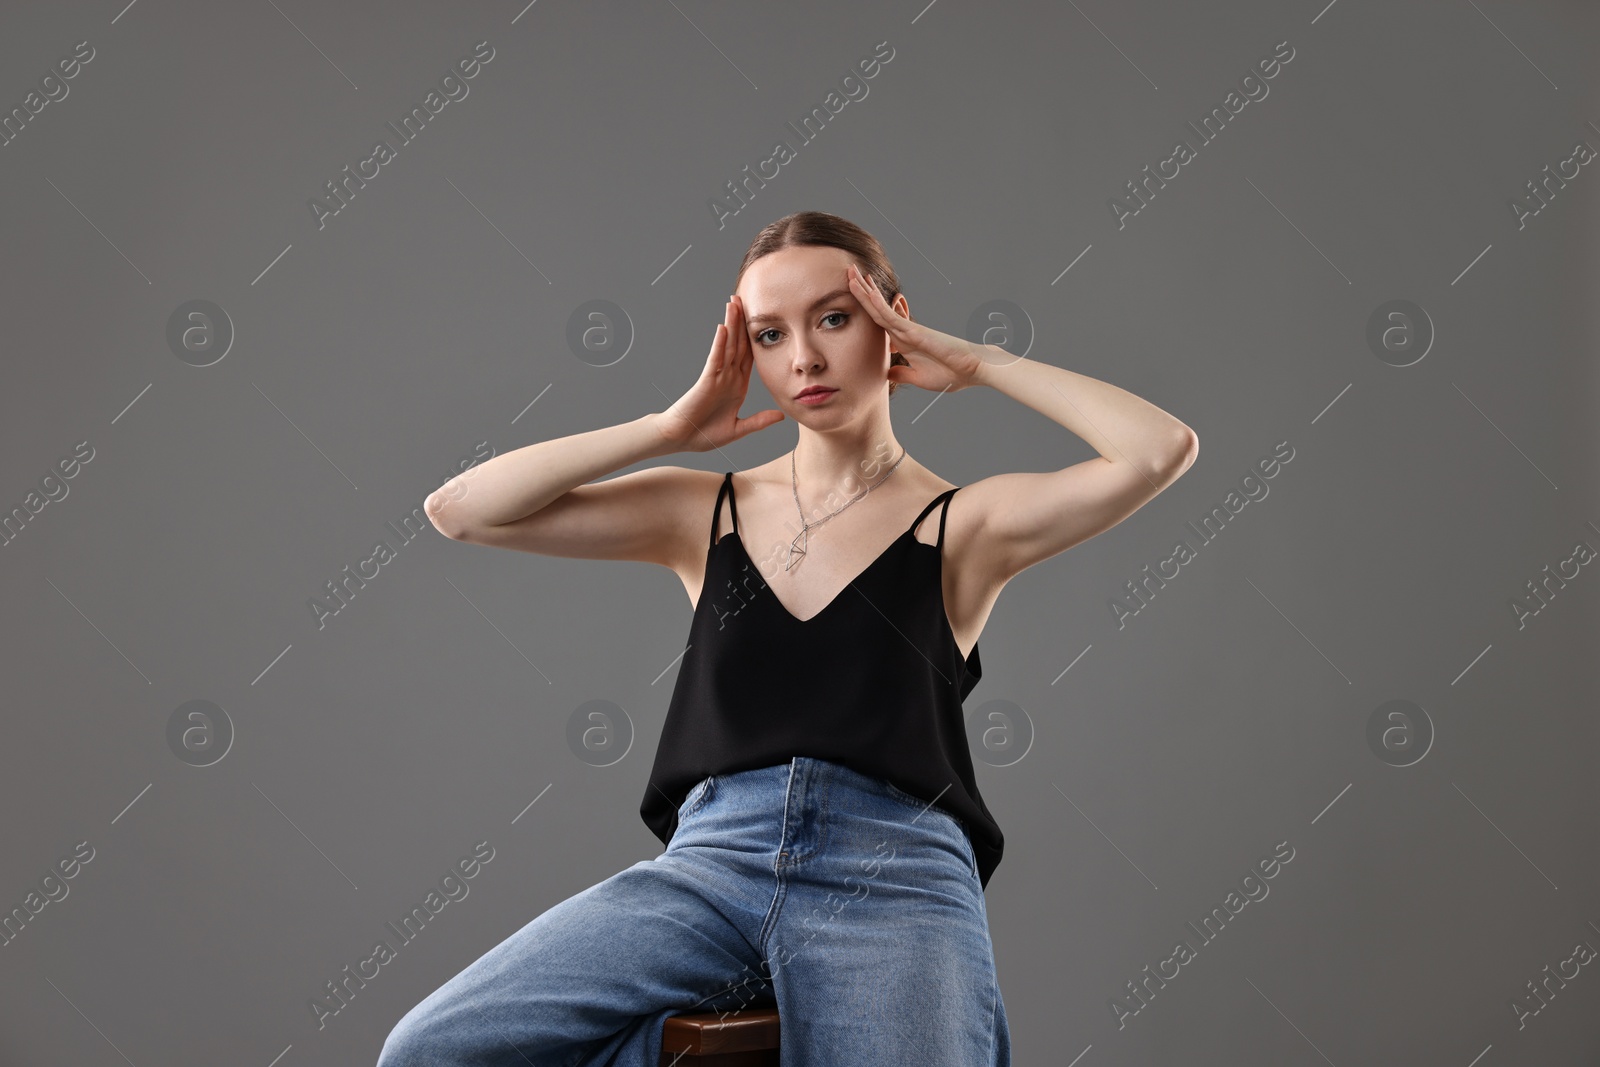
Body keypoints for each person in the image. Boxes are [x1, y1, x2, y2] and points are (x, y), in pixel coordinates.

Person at [377, 211, 1197, 1066]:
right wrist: (665, 429)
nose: (803, 357)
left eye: (833, 319)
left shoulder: (964, 526)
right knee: (434, 1049)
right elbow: (460, 510)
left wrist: (980, 363)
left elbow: (1157, 449)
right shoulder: (706, 511)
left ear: (892, 319)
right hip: (713, 864)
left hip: (896, 875)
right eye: (771, 334)